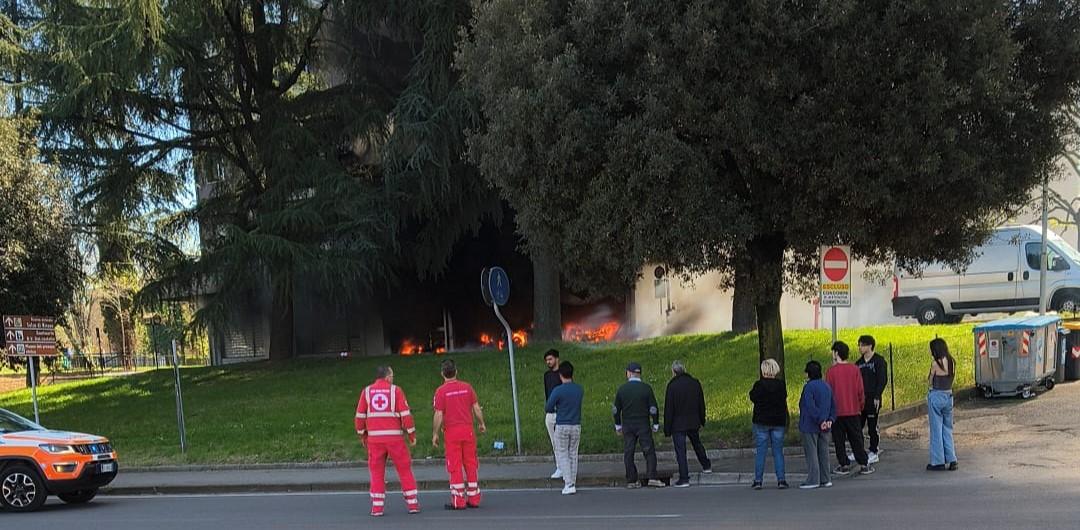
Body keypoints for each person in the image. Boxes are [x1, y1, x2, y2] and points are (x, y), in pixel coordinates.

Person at [355, 365, 420, 516]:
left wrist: (362, 435)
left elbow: (359, 417)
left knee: (376, 472)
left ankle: (377, 508)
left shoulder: (366, 392)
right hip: (394, 439)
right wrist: (411, 434)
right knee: (404, 470)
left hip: (375, 440)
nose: (393, 379)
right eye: (392, 376)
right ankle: (413, 504)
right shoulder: (395, 390)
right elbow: (406, 415)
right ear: (387, 377)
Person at [432, 359, 487, 510]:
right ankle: (474, 498)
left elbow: (439, 414)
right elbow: (476, 408)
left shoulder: (441, 391)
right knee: (471, 463)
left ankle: (458, 500)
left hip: (451, 432)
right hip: (468, 430)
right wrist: (481, 423)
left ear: (442, 374)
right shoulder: (467, 387)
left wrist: (435, 433)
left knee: (455, 465)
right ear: (456, 372)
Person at [826, 341, 874, 476]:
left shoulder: (830, 372)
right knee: (856, 438)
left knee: (839, 440)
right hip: (853, 410)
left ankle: (844, 464)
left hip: (837, 411)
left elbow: (828, 392)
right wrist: (860, 405)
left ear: (836, 353)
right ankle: (864, 463)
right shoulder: (855, 369)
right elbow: (860, 390)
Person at [613, 362, 664, 488]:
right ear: (639, 373)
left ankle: (632, 480)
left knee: (629, 452)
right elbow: (653, 408)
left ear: (629, 373)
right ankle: (652, 477)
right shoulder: (646, 388)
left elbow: (615, 410)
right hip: (643, 424)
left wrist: (618, 425)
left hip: (628, 424)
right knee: (649, 451)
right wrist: (656, 423)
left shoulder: (622, 389)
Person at [664, 360, 712, 487]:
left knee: (681, 451)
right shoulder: (694, 383)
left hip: (678, 424)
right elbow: (701, 403)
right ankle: (706, 465)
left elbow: (669, 409)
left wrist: (667, 428)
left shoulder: (672, 386)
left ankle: (684, 478)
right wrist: (702, 419)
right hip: (693, 421)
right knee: (697, 443)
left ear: (673, 372)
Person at [748, 358, 788, 490]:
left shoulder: (759, 385)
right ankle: (781, 480)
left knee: (761, 452)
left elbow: (752, 397)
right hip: (778, 421)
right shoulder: (781, 385)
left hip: (761, 421)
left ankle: (758, 480)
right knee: (778, 451)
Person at [545, 361, 584, 495]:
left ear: (560, 375)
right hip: (576, 424)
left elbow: (548, 407)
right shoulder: (579, 389)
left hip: (562, 424)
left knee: (562, 454)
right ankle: (572, 480)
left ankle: (569, 483)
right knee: (573, 453)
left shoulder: (558, 390)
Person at [798, 360, 835, 489]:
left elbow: (809, 406)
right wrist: (829, 419)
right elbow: (833, 405)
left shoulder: (808, 387)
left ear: (808, 374)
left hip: (810, 424)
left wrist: (820, 420)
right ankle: (826, 478)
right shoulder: (826, 386)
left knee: (812, 452)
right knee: (823, 452)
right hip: (825, 424)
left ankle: (813, 479)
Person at [926, 338, 958, 472]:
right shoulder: (951, 362)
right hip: (948, 396)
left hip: (937, 396)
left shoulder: (935, 364)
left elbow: (930, 381)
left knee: (936, 429)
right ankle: (952, 460)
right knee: (947, 428)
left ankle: (938, 461)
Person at [855, 335, 888, 463]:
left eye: (862, 345)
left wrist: (877, 395)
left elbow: (882, 380)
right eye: (859, 345)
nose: (860, 347)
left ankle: (874, 450)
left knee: (872, 425)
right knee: (858, 425)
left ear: (869, 346)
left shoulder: (879, 361)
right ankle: (859, 450)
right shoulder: (858, 364)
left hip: (873, 398)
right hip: (861, 399)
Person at [543, 349, 563, 479]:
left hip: (562, 412)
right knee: (555, 442)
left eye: (550, 359)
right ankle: (559, 467)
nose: (548, 362)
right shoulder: (547, 375)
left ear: (556, 359)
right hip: (551, 412)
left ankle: (565, 467)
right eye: (547, 360)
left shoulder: (562, 374)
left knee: (562, 442)